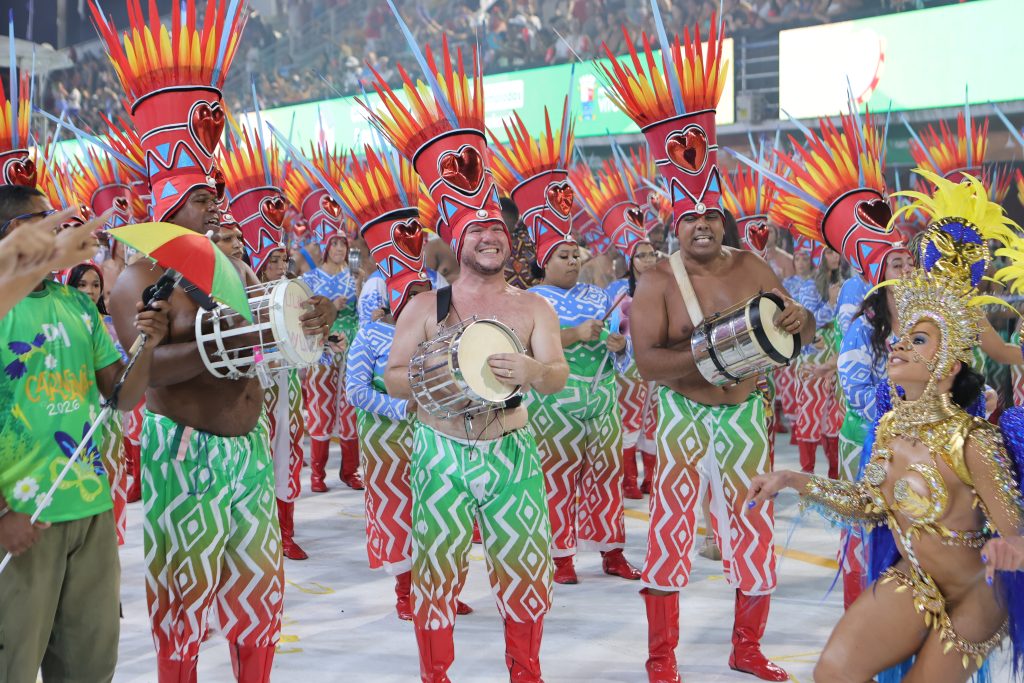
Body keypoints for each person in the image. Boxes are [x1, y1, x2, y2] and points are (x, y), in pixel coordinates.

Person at [95, 2, 336, 678]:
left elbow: (264, 344)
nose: (221, 208)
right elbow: (136, 382)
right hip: (187, 457)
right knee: (183, 607)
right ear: (172, 200)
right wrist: (218, 342)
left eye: (219, 195)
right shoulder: (135, 276)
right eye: (206, 198)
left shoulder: (232, 266)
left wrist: (300, 326)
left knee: (260, 605)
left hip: (250, 454)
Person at [746, 171, 1024, 683]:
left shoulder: (975, 439)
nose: (898, 345)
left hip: (974, 598)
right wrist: (790, 481)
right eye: (902, 337)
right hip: (915, 578)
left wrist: (1010, 547)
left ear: (951, 364)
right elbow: (869, 503)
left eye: (918, 341)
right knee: (833, 671)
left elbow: (1018, 533)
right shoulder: (891, 425)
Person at [601, 18, 815, 681]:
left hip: (748, 414)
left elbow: (792, 337)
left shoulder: (753, 266)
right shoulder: (658, 280)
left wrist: (802, 321)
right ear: (675, 221)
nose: (701, 225)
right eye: (689, 217)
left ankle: (745, 649)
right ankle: (660, 660)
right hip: (685, 416)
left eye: (710, 216)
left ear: (722, 216)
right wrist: (712, 358)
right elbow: (647, 363)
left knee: (754, 527)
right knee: (669, 528)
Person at [364, 36, 568, 681]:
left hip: (512, 446)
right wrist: (429, 382)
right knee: (436, 571)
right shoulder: (425, 304)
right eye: (476, 229)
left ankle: (525, 672)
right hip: (441, 449)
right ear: (458, 241)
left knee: (525, 567)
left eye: (498, 230)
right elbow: (393, 377)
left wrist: (533, 372)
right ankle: (436, 674)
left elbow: (557, 375)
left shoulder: (535, 308)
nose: (488, 236)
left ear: (511, 244)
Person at [0, 187, 169, 683]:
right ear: (15, 232)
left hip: (90, 508)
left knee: (89, 665)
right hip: (21, 519)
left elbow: (122, 396)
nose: (66, 228)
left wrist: (148, 346)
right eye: (49, 218)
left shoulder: (76, 305)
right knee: (12, 663)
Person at [490, 113, 641, 585]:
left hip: (601, 398)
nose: (573, 262)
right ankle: (560, 556)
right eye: (562, 256)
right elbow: (522, 349)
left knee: (606, 477)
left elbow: (622, 348)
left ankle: (612, 552)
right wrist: (578, 335)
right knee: (558, 477)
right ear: (542, 260)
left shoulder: (597, 295)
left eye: (576, 255)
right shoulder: (528, 300)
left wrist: (618, 345)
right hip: (555, 400)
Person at [340, 148, 471, 620]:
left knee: (441, 512)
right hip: (387, 439)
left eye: (425, 293)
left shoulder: (446, 331)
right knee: (396, 508)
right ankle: (404, 592)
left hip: (437, 436)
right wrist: (402, 408)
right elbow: (355, 392)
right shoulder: (370, 335)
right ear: (393, 297)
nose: (421, 302)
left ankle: (444, 588)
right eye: (411, 295)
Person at [221, 126, 311, 561]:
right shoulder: (228, 290)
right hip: (250, 385)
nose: (278, 264)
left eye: (281, 258)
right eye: (270, 258)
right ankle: (263, 534)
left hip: (286, 386)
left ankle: (288, 530)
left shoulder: (292, 288)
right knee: (260, 456)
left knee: (288, 453)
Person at [63, 261, 130, 545]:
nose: (89, 291)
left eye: (95, 285)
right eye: (82, 284)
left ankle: (110, 540)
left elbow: (122, 368)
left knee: (111, 474)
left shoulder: (112, 325)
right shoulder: (61, 325)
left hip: (110, 417)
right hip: (77, 415)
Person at [301, 227, 365, 491]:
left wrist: (360, 286)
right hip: (322, 347)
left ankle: (350, 472)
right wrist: (331, 309)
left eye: (344, 245)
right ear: (326, 247)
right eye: (335, 244)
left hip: (350, 348)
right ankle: (317, 475)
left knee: (350, 408)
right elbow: (302, 314)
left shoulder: (353, 276)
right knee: (320, 407)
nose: (340, 249)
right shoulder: (310, 278)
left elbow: (364, 312)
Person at [792, 248, 848, 478]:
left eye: (837, 254)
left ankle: (835, 476)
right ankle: (807, 476)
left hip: (838, 360)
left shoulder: (849, 283)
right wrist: (830, 303)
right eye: (829, 253)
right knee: (810, 416)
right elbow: (806, 321)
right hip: (812, 361)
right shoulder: (810, 286)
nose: (833, 258)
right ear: (821, 257)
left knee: (835, 418)